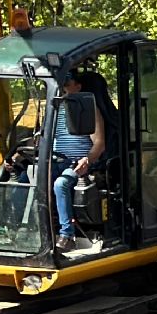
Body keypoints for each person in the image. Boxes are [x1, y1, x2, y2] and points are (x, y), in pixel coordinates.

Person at [49, 70, 106, 253]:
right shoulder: (53, 112)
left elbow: (99, 143)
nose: (62, 88)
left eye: (66, 84)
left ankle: (67, 235)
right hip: (54, 161)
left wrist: (86, 161)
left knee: (61, 184)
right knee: (26, 178)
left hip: (77, 164)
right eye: (59, 84)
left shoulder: (88, 110)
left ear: (78, 87)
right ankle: (22, 229)